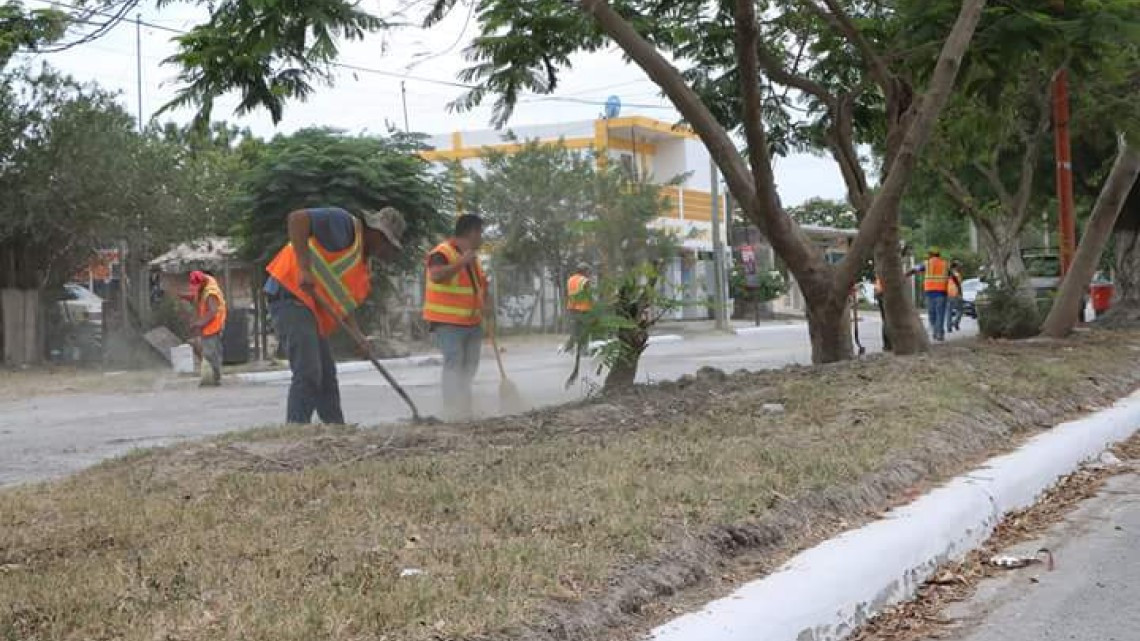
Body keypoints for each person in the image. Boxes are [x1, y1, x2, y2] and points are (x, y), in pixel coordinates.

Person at [264, 206, 406, 424]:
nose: (385, 252)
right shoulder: (343, 225)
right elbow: (297, 218)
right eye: (386, 245)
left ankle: (337, 431)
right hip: (290, 294)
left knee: (327, 377)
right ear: (377, 233)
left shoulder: (361, 268)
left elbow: (343, 304)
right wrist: (304, 268)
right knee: (309, 372)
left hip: (311, 310)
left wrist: (358, 336)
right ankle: (294, 431)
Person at [423, 214, 487, 420]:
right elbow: (436, 275)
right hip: (448, 323)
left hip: (472, 322)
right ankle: (451, 410)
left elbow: (482, 286)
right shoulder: (441, 253)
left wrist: (488, 305)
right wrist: (461, 262)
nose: (482, 238)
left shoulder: (473, 259)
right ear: (472, 232)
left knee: (469, 366)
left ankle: (464, 408)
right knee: (454, 363)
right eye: (481, 233)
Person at [189, 270, 227, 386]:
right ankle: (213, 378)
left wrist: (199, 323)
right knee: (212, 352)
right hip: (211, 325)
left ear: (202, 282)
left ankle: (213, 379)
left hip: (213, 326)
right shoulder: (208, 281)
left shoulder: (210, 292)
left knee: (210, 354)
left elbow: (212, 311)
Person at [909, 247, 951, 341]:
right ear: (939, 255)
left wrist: (905, 275)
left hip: (930, 292)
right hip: (941, 292)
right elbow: (950, 275)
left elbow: (914, 270)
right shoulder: (945, 264)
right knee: (940, 314)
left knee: (932, 314)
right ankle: (939, 333)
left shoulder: (926, 263)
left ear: (931, 254)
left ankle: (935, 332)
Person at [564, 262, 594, 387]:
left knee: (575, 330)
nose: (589, 274)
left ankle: (569, 347)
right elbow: (588, 295)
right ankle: (584, 350)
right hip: (583, 309)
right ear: (585, 271)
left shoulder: (570, 280)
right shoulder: (585, 281)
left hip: (572, 308)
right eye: (589, 272)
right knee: (586, 330)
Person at [946, 260, 964, 333]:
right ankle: (955, 323)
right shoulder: (957, 274)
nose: (960, 267)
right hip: (955, 293)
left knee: (949, 311)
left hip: (948, 293)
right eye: (959, 266)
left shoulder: (948, 274)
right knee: (960, 310)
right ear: (956, 267)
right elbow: (959, 285)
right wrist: (960, 294)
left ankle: (949, 327)